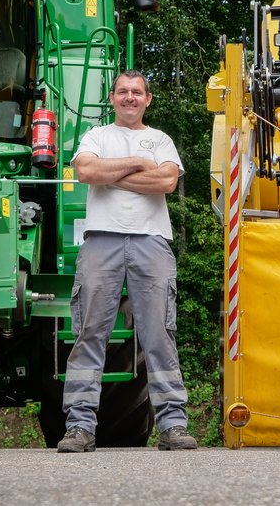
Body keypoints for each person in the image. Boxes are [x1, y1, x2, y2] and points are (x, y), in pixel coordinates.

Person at [56, 70, 198, 453]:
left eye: (137, 92)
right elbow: (85, 170)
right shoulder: (97, 136)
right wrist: (137, 163)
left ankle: (172, 425)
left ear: (147, 99)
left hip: (152, 242)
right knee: (89, 334)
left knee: (159, 335)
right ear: (113, 98)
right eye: (123, 92)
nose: (130, 97)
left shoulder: (161, 139)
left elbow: (166, 182)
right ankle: (79, 427)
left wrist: (111, 175)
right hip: (101, 241)